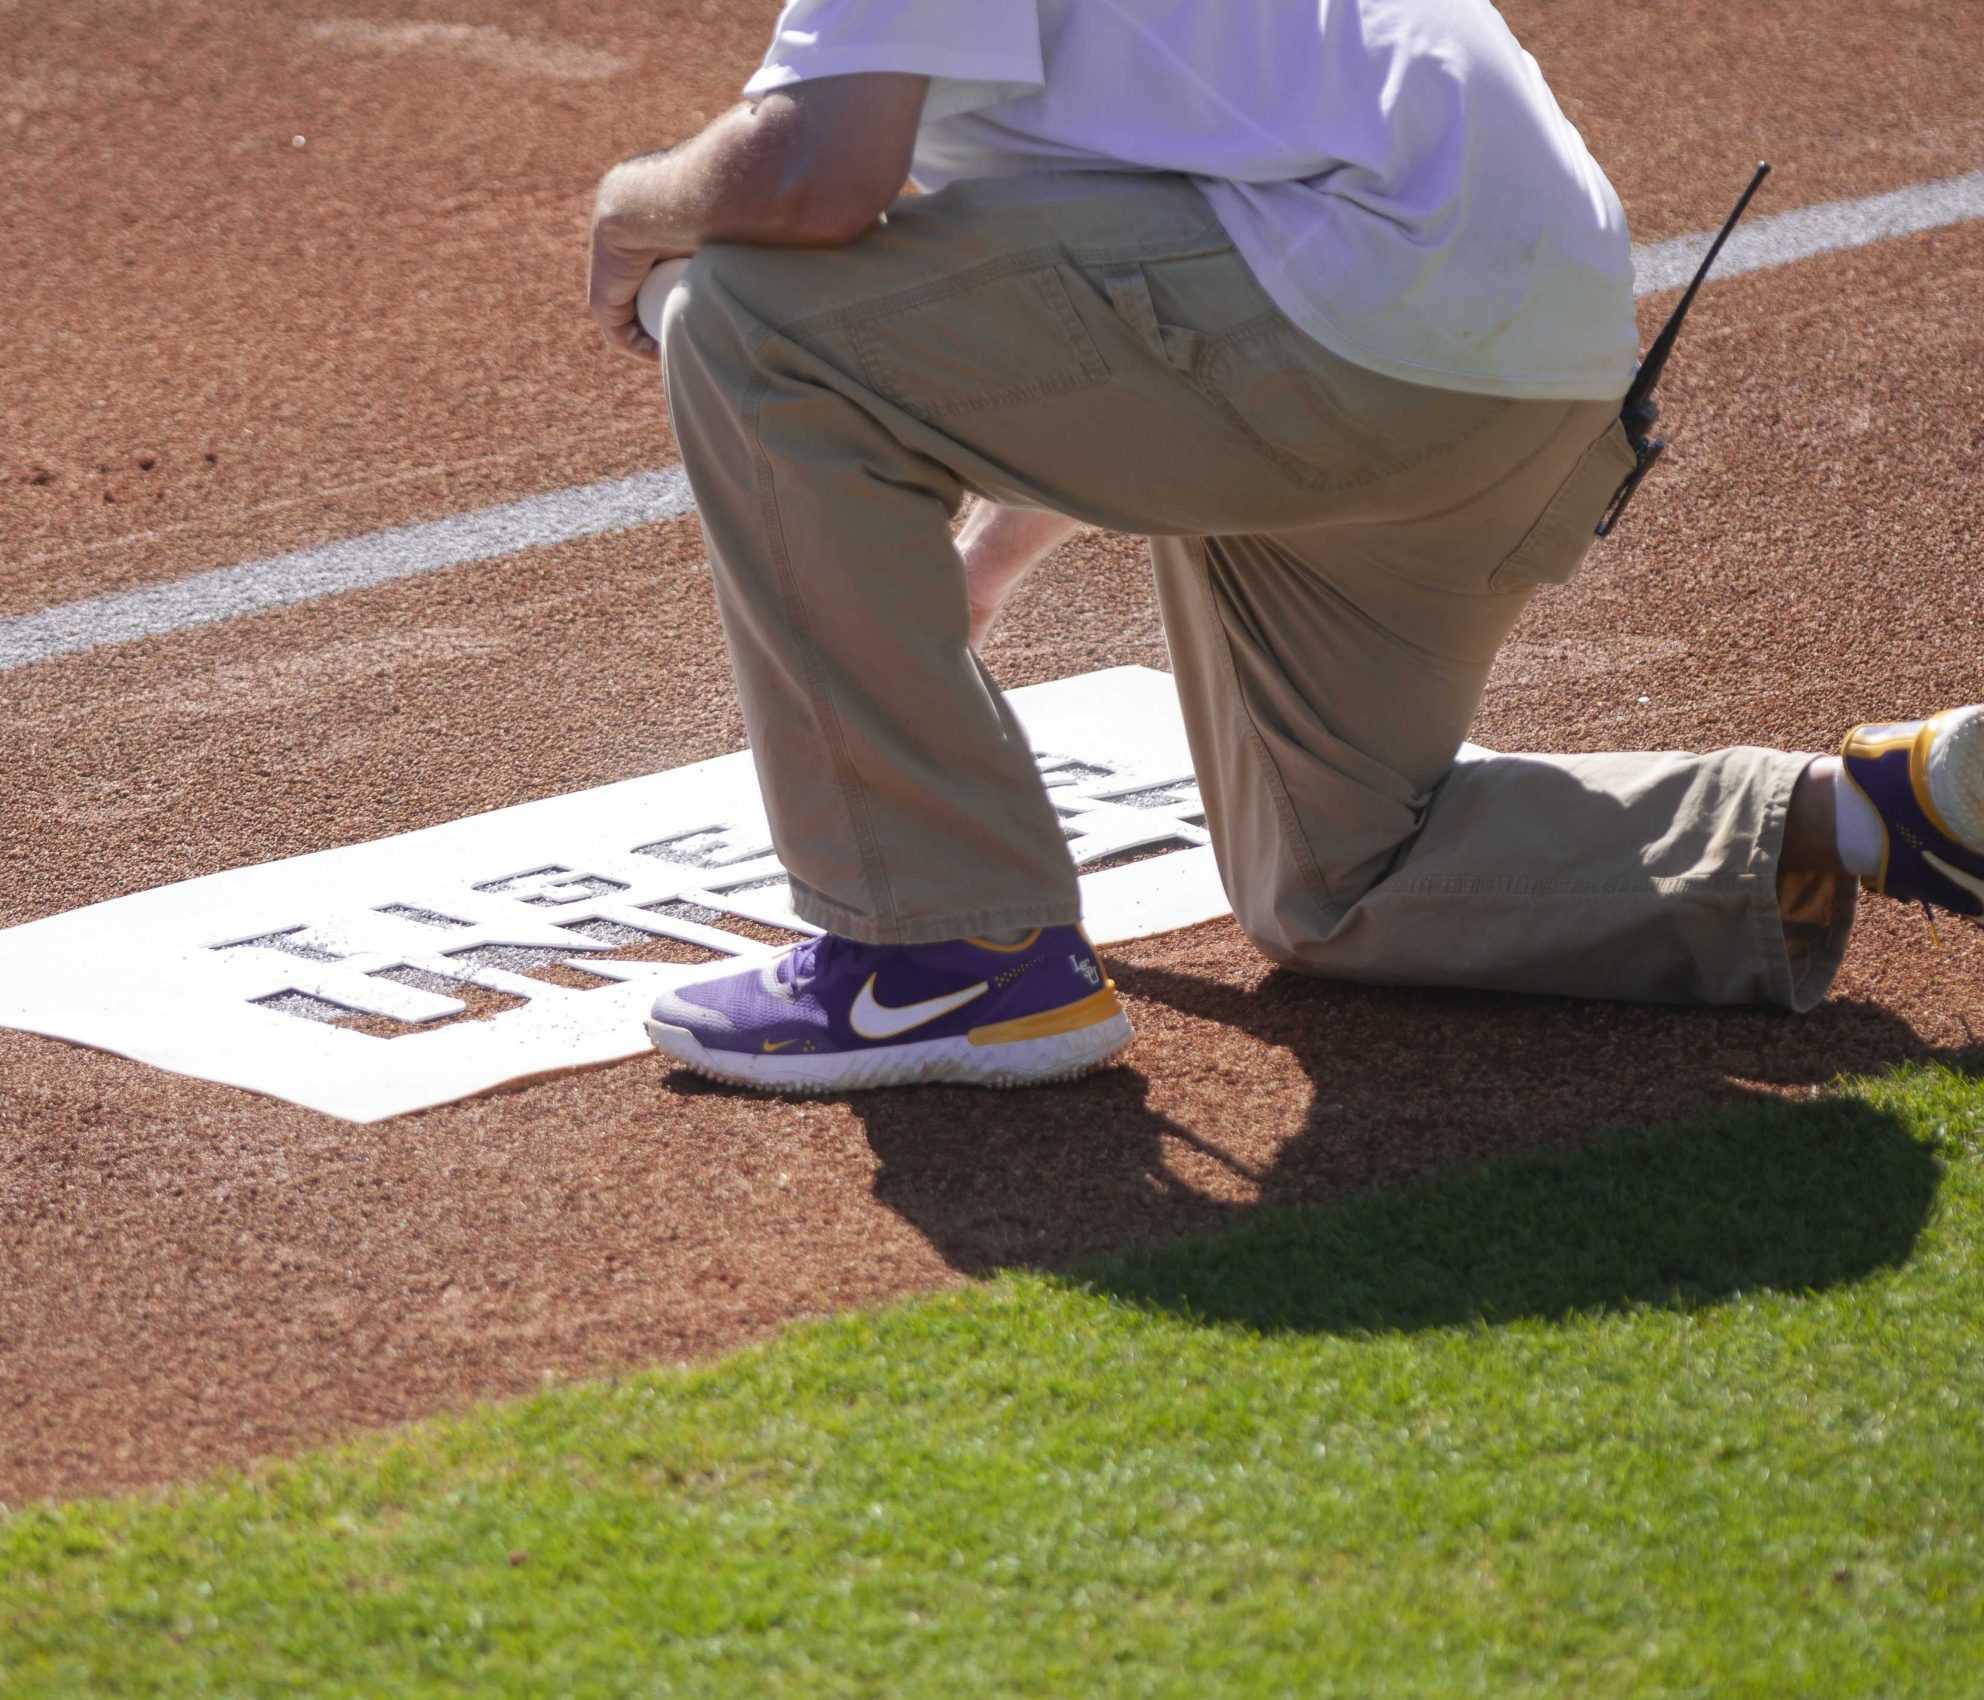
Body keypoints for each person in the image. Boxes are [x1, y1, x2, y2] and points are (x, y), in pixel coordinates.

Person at [583, 0, 1984, 1094]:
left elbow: (818, 177)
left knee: (737, 308)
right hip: (1537, 375)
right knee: (1339, 886)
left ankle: (939, 946)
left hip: (1344, 322)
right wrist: (993, 563)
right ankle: (1884, 810)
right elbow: (1149, 248)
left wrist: (625, 209)